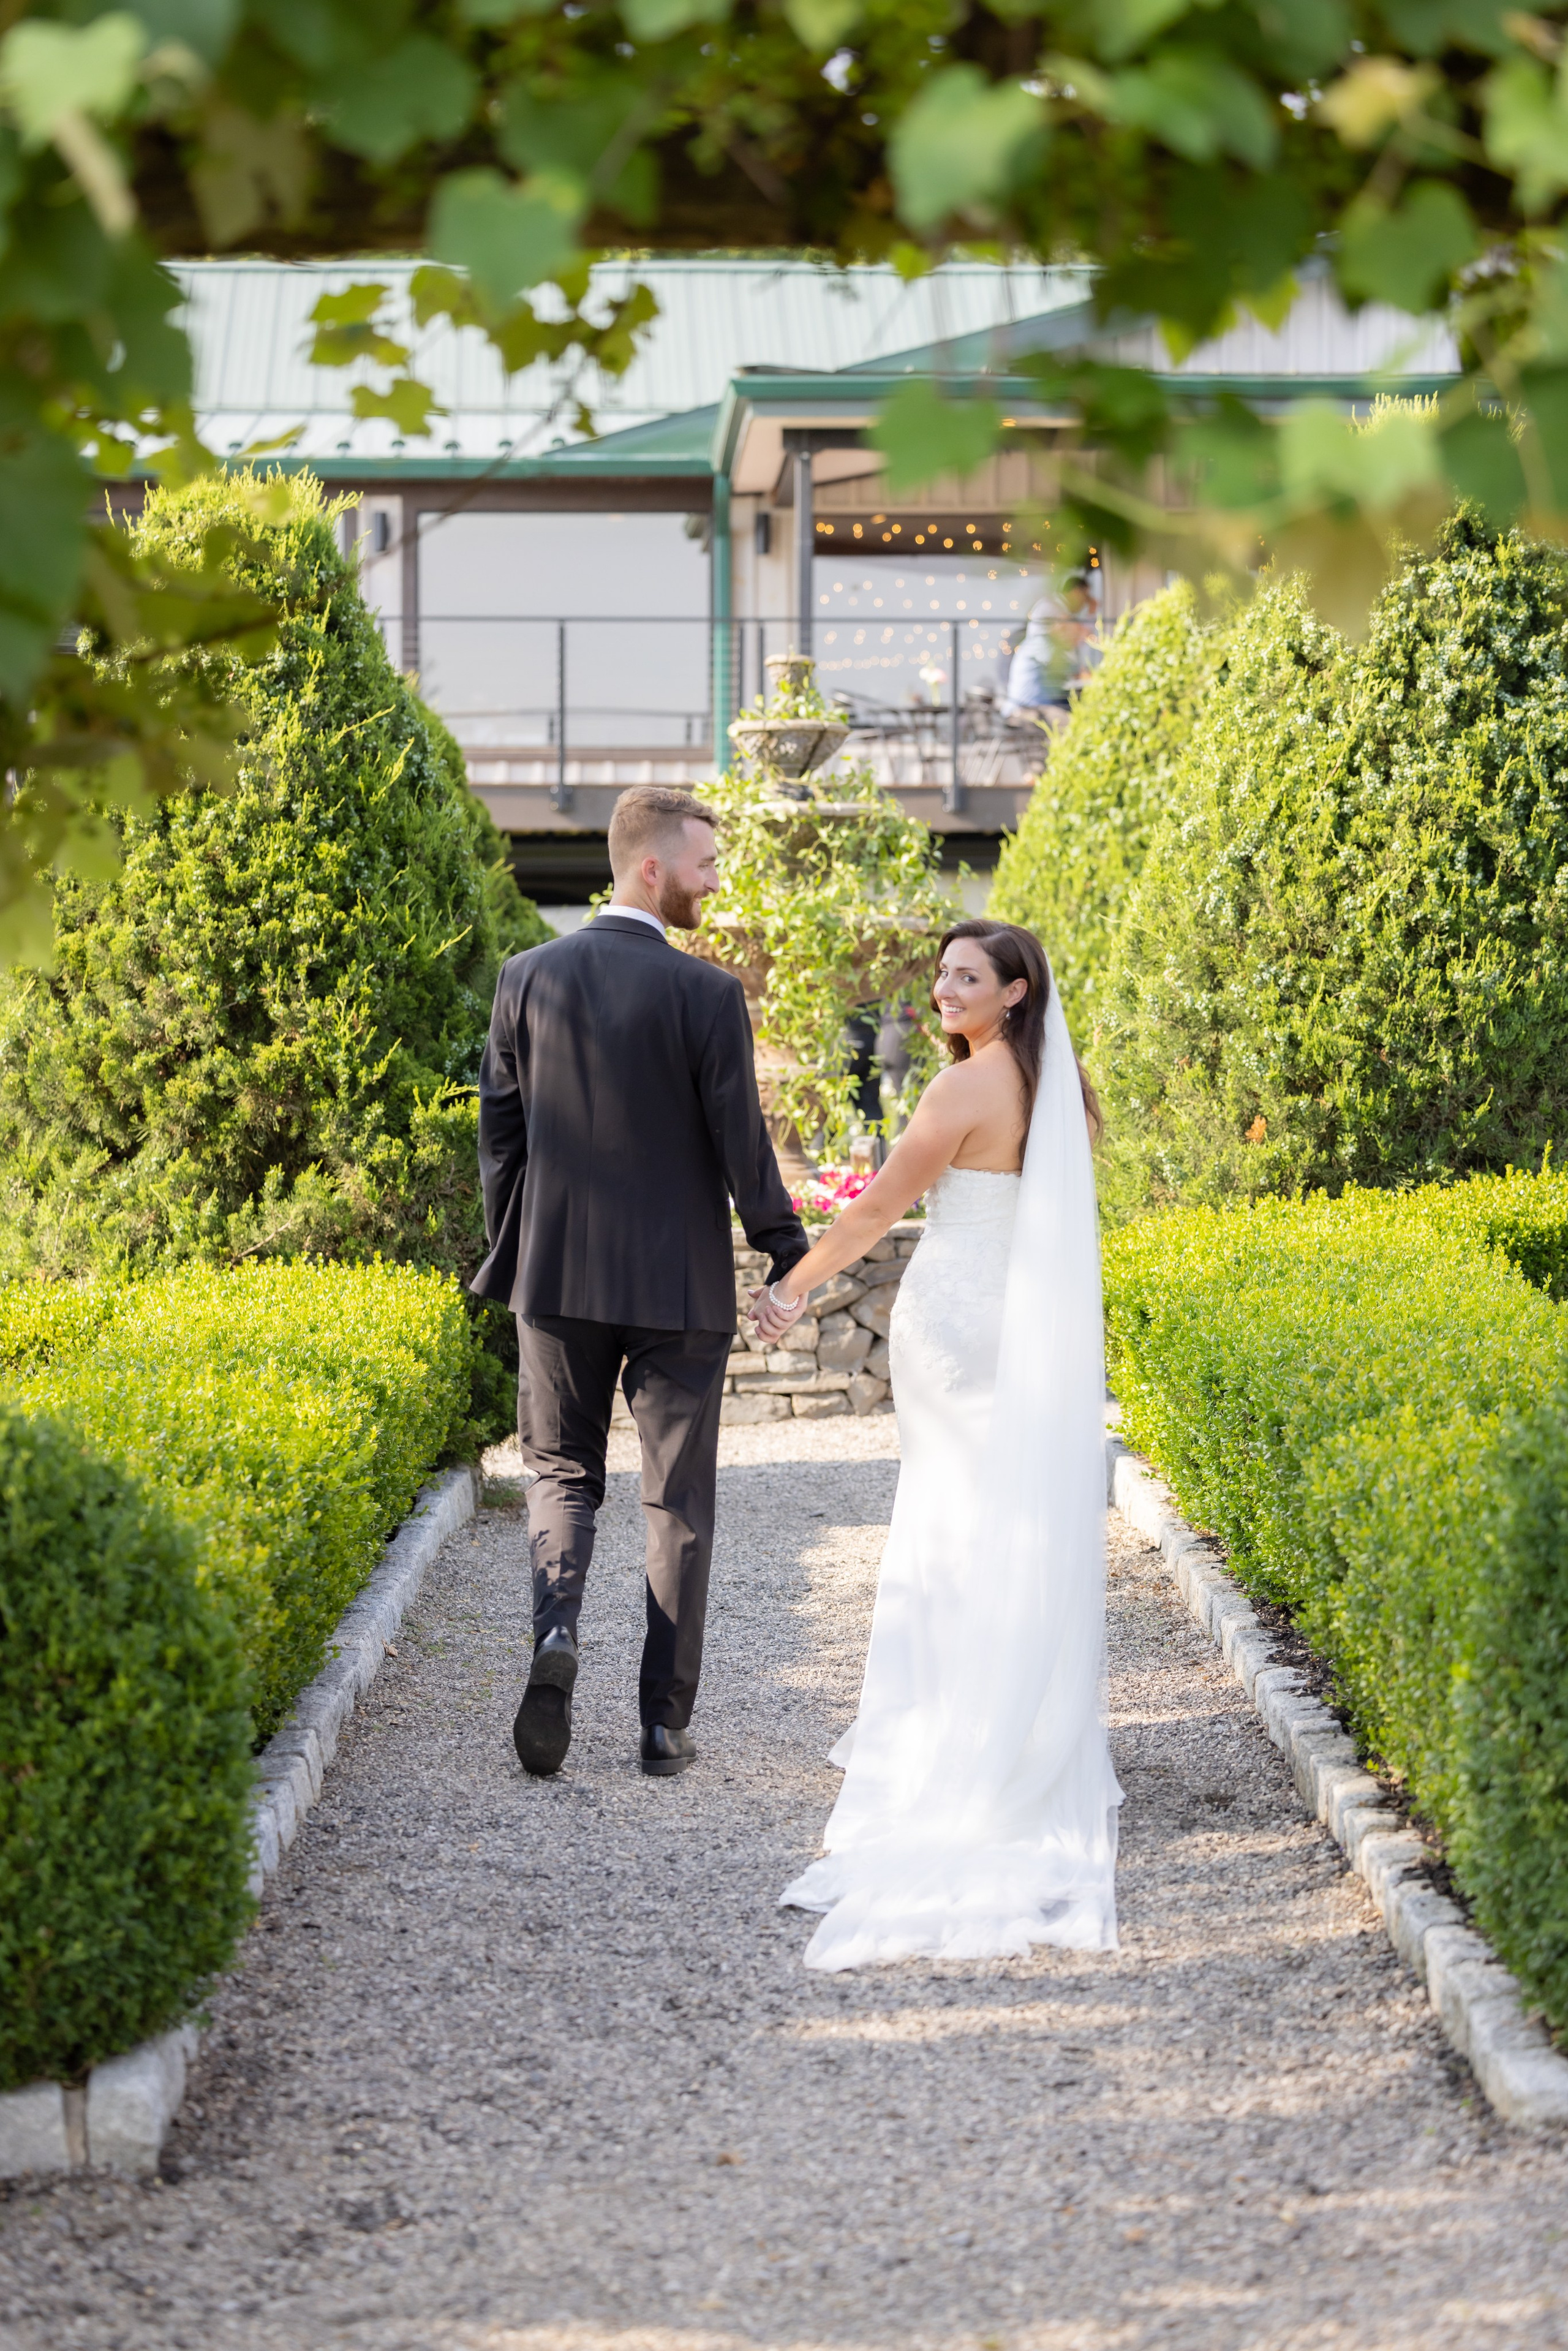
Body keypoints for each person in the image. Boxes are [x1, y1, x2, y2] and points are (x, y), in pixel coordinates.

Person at [752, 918, 1121, 1969]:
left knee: (953, 1524)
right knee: (1003, 1520)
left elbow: (876, 1207)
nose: (943, 989)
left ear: (1014, 991)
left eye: (968, 976)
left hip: (959, 1326)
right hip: (1022, 1323)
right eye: (941, 973)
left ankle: (959, 1727)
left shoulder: (961, 1089)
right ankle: (1017, 1712)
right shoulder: (1052, 1084)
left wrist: (792, 1285)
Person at [473, 785, 808, 1780]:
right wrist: (785, 1246)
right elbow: (741, 1139)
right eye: (706, 863)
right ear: (650, 867)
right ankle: (663, 1724)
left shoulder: (525, 976)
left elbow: (501, 1136)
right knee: (678, 1502)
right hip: (680, 1285)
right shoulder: (707, 994)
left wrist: (515, 1246)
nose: (717, 880)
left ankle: (553, 1639)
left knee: (562, 1473)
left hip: (559, 1270)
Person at [1004, 575, 1097, 720]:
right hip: (1028, 711)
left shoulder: (1042, 644)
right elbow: (1074, 671)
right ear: (1057, 626)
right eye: (1068, 628)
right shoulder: (1043, 645)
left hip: (1034, 707)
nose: (1072, 634)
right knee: (1079, 722)